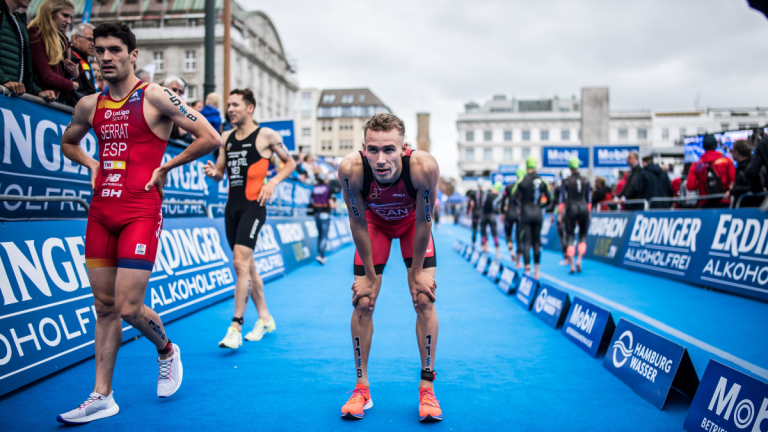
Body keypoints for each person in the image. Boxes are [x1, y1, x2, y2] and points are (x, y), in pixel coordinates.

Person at [57, 21, 222, 424]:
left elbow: (210, 137)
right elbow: (68, 142)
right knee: (104, 306)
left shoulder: (155, 96)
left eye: (115, 50)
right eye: (100, 50)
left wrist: (168, 165)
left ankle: (166, 349)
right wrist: (92, 162)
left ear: (133, 56)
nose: (106, 57)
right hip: (101, 212)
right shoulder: (88, 105)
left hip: (141, 210)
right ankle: (101, 395)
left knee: (129, 308)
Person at [337, 113, 442, 422]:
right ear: (363, 149)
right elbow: (356, 221)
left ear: (403, 148)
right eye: (373, 150)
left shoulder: (424, 168)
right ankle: (361, 387)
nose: (380, 159)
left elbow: (424, 220)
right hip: (374, 226)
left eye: (389, 150)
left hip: (412, 227)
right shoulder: (350, 171)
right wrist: (369, 277)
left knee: (424, 299)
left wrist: (417, 272)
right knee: (364, 303)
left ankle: (427, 388)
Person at [203, 88, 296, 349]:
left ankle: (235, 325)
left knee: (239, 264)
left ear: (250, 108)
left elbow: (290, 163)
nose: (230, 109)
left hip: (254, 206)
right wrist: (213, 172)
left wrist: (273, 182)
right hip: (231, 207)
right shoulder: (226, 136)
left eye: (235, 105)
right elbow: (221, 173)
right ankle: (265, 318)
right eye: (228, 105)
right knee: (248, 266)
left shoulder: (266, 135)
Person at [0, 0, 56, 101]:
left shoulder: (19, 20)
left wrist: (37, 91)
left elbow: (23, 70)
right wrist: (4, 80)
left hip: (8, 100)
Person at [28, 0, 80, 105]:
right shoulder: (35, 33)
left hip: (57, 99)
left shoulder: (63, 40)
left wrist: (75, 74)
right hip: (41, 100)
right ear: (50, 13)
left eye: (70, 17)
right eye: (65, 15)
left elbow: (61, 76)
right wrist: (72, 85)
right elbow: (46, 75)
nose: (69, 21)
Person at [513, 155, 550, 280]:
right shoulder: (542, 181)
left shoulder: (522, 180)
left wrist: (521, 205)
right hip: (538, 213)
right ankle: (537, 272)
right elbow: (550, 200)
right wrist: (540, 205)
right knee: (536, 243)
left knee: (526, 243)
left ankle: (527, 271)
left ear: (527, 165)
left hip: (525, 214)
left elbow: (513, 198)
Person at [559, 157, 591, 274]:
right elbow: (589, 199)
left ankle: (571, 264)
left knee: (570, 236)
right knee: (583, 235)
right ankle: (579, 260)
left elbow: (562, 199)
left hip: (571, 208)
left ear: (569, 167)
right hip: (583, 208)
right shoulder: (585, 180)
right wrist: (589, 212)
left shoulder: (566, 181)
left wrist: (560, 213)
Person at [686, 134, 735, 208]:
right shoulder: (727, 161)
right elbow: (733, 181)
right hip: (724, 201)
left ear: (703, 147)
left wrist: (701, 183)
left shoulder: (697, 165)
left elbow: (690, 186)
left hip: (705, 202)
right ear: (716, 145)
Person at [499, 167, 524, 266]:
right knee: (519, 238)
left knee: (508, 235)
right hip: (519, 214)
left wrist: (502, 213)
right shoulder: (524, 187)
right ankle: (518, 262)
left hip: (509, 213)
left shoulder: (509, 187)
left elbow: (502, 201)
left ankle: (511, 253)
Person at [729, 139, 764, 207]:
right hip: (745, 208)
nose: (731, 153)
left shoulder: (753, 168)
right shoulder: (742, 167)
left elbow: (756, 187)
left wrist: (734, 190)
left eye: (732, 151)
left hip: (752, 208)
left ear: (737, 153)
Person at [311, 172, 337, 264]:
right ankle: (320, 255)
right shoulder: (327, 189)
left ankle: (320, 254)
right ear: (324, 179)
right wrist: (335, 203)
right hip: (325, 213)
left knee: (320, 235)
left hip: (316, 213)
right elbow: (332, 205)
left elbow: (311, 201)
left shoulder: (314, 188)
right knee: (324, 236)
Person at [70, 22, 96, 97]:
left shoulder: (83, 58)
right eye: (90, 39)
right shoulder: (72, 58)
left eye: (95, 41)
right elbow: (76, 91)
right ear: (75, 39)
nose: (93, 44)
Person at [466, 181, 485, 250]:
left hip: (475, 213)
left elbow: (470, 203)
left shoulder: (473, 193)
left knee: (474, 229)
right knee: (483, 229)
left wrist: (468, 213)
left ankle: (473, 243)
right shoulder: (484, 193)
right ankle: (483, 246)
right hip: (482, 213)